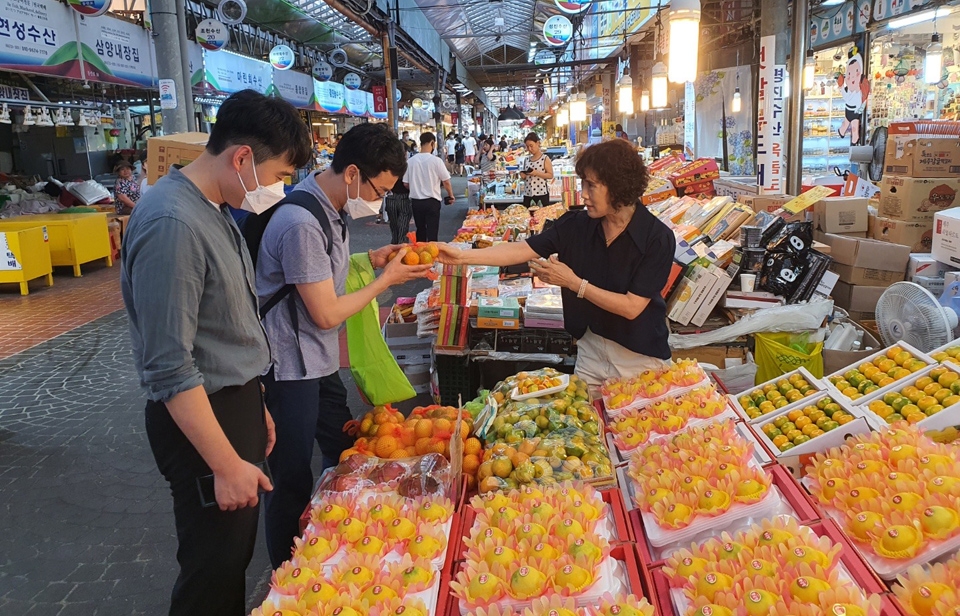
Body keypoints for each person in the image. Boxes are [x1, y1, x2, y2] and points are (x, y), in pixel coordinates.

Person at [121, 89, 312, 616]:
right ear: (242, 158)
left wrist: (256, 405)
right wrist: (226, 462)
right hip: (203, 422)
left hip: (233, 405)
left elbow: (225, 328)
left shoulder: (213, 206)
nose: (275, 190)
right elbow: (169, 365)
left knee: (230, 560)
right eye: (275, 176)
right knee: (212, 569)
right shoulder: (173, 224)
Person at [256, 123, 432, 569]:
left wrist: (367, 260)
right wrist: (386, 280)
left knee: (345, 448)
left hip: (318, 361)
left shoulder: (331, 211)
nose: (379, 201)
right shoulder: (301, 222)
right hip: (289, 368)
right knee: (291, 478)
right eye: (380, 189)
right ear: (352, 173)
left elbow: (320, 274)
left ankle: (343, 538)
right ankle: (287, 574)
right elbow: (327, 313)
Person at [438, 139, 675, 389]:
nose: (583, 193)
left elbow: (631, 307)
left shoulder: (656, 238)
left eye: (591, 185)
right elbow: (522, 249)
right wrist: (460, 256)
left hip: (638, 358)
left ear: (618, 186)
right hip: (591, 349)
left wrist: (573, 283)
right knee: (589, 422)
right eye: (583, 183)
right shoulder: (576, 225)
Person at [404, 132, 455, 242]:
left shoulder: (410, 161)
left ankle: (420, 255)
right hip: (432, 201)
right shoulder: (436, 161)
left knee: (420, 229)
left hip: (416, 202)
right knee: (432, 231)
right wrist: (451, 195)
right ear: (432, 143)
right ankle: (432, 255)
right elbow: (446, 181)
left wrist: (415, 188)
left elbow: (406, 183)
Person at [520, 132, 553, 207]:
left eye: (531, 146)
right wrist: (523, 176)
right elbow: (526, 178)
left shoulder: (545, 158)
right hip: (528, 194)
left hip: (541, 193)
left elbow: (550, 175)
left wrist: (536, 173)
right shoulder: (526, 160)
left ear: (538, 143)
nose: (529, 149)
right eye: (527, 147)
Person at [385, 175, 413, 245]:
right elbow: (406, 184)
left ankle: (394, 246)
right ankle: (402, 246)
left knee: (393, 225)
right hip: (404, 196)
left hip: (391, 196)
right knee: (403, 224)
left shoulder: (388, 165)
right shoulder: (407, 165)